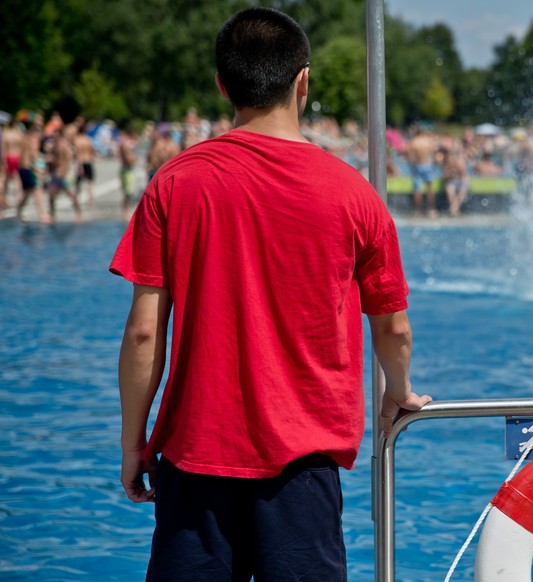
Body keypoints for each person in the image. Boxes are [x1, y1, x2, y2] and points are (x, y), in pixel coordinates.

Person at [109, 7, 431, 581]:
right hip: (302, 467)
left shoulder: (176, 182)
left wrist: (134, 443)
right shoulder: (353, 195)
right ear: (302, 81)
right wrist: (398, 393)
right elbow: (393, 327)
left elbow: (142, 332)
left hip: (195, 457)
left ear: (222, 85)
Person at [15, 122, 51, 223]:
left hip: (21, 168)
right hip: (30, 168)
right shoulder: (33, 141)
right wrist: (39, 169)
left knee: (27, 192)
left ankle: (19, 211)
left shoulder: (23, 139)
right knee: (37, 191)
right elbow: (33, 155)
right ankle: (42, 214)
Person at [406, 126, 438, 217]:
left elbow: (409, 157)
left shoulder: (414, 142)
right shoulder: (428, 141)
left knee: (417, 189)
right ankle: (431, 210)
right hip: (428, 165)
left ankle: (417, 211)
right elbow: (434, 154)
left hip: (418, 166)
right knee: (429, 188)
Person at [118, 127, 139, 219]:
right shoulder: (125, 145)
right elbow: (129, 160)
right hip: (127, 170)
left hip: (124, 169)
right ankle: (126, 212)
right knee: (129, 192)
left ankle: (125, 211)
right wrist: (135, 158)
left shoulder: (123, 144)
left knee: (127, 192)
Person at [74, 123, 97, 208]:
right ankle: (91, 202)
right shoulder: (88, 140)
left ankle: (77, 201)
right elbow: (93, 152)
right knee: (89, 183)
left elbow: (78, 154)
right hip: (89, 162)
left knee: (78, 184)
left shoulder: (77, 140)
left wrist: (79, 166)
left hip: (81, 162)